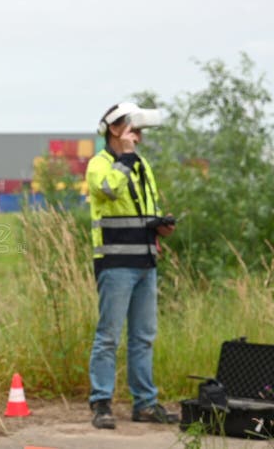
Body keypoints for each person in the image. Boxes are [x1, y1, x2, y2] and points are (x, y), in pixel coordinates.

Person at [85, 102, 178, 429]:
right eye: (133, 129)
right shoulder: (100, 164)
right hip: (115, 264)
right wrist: (125, 157)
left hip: (145, 261)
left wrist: (159, 228)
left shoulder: (141, 165)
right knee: (109, 336)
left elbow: (143, 210)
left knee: (143, 336)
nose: (138, 136)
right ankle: (101, 403)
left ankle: (146, 404)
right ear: (115, 129)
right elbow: (108, 190)